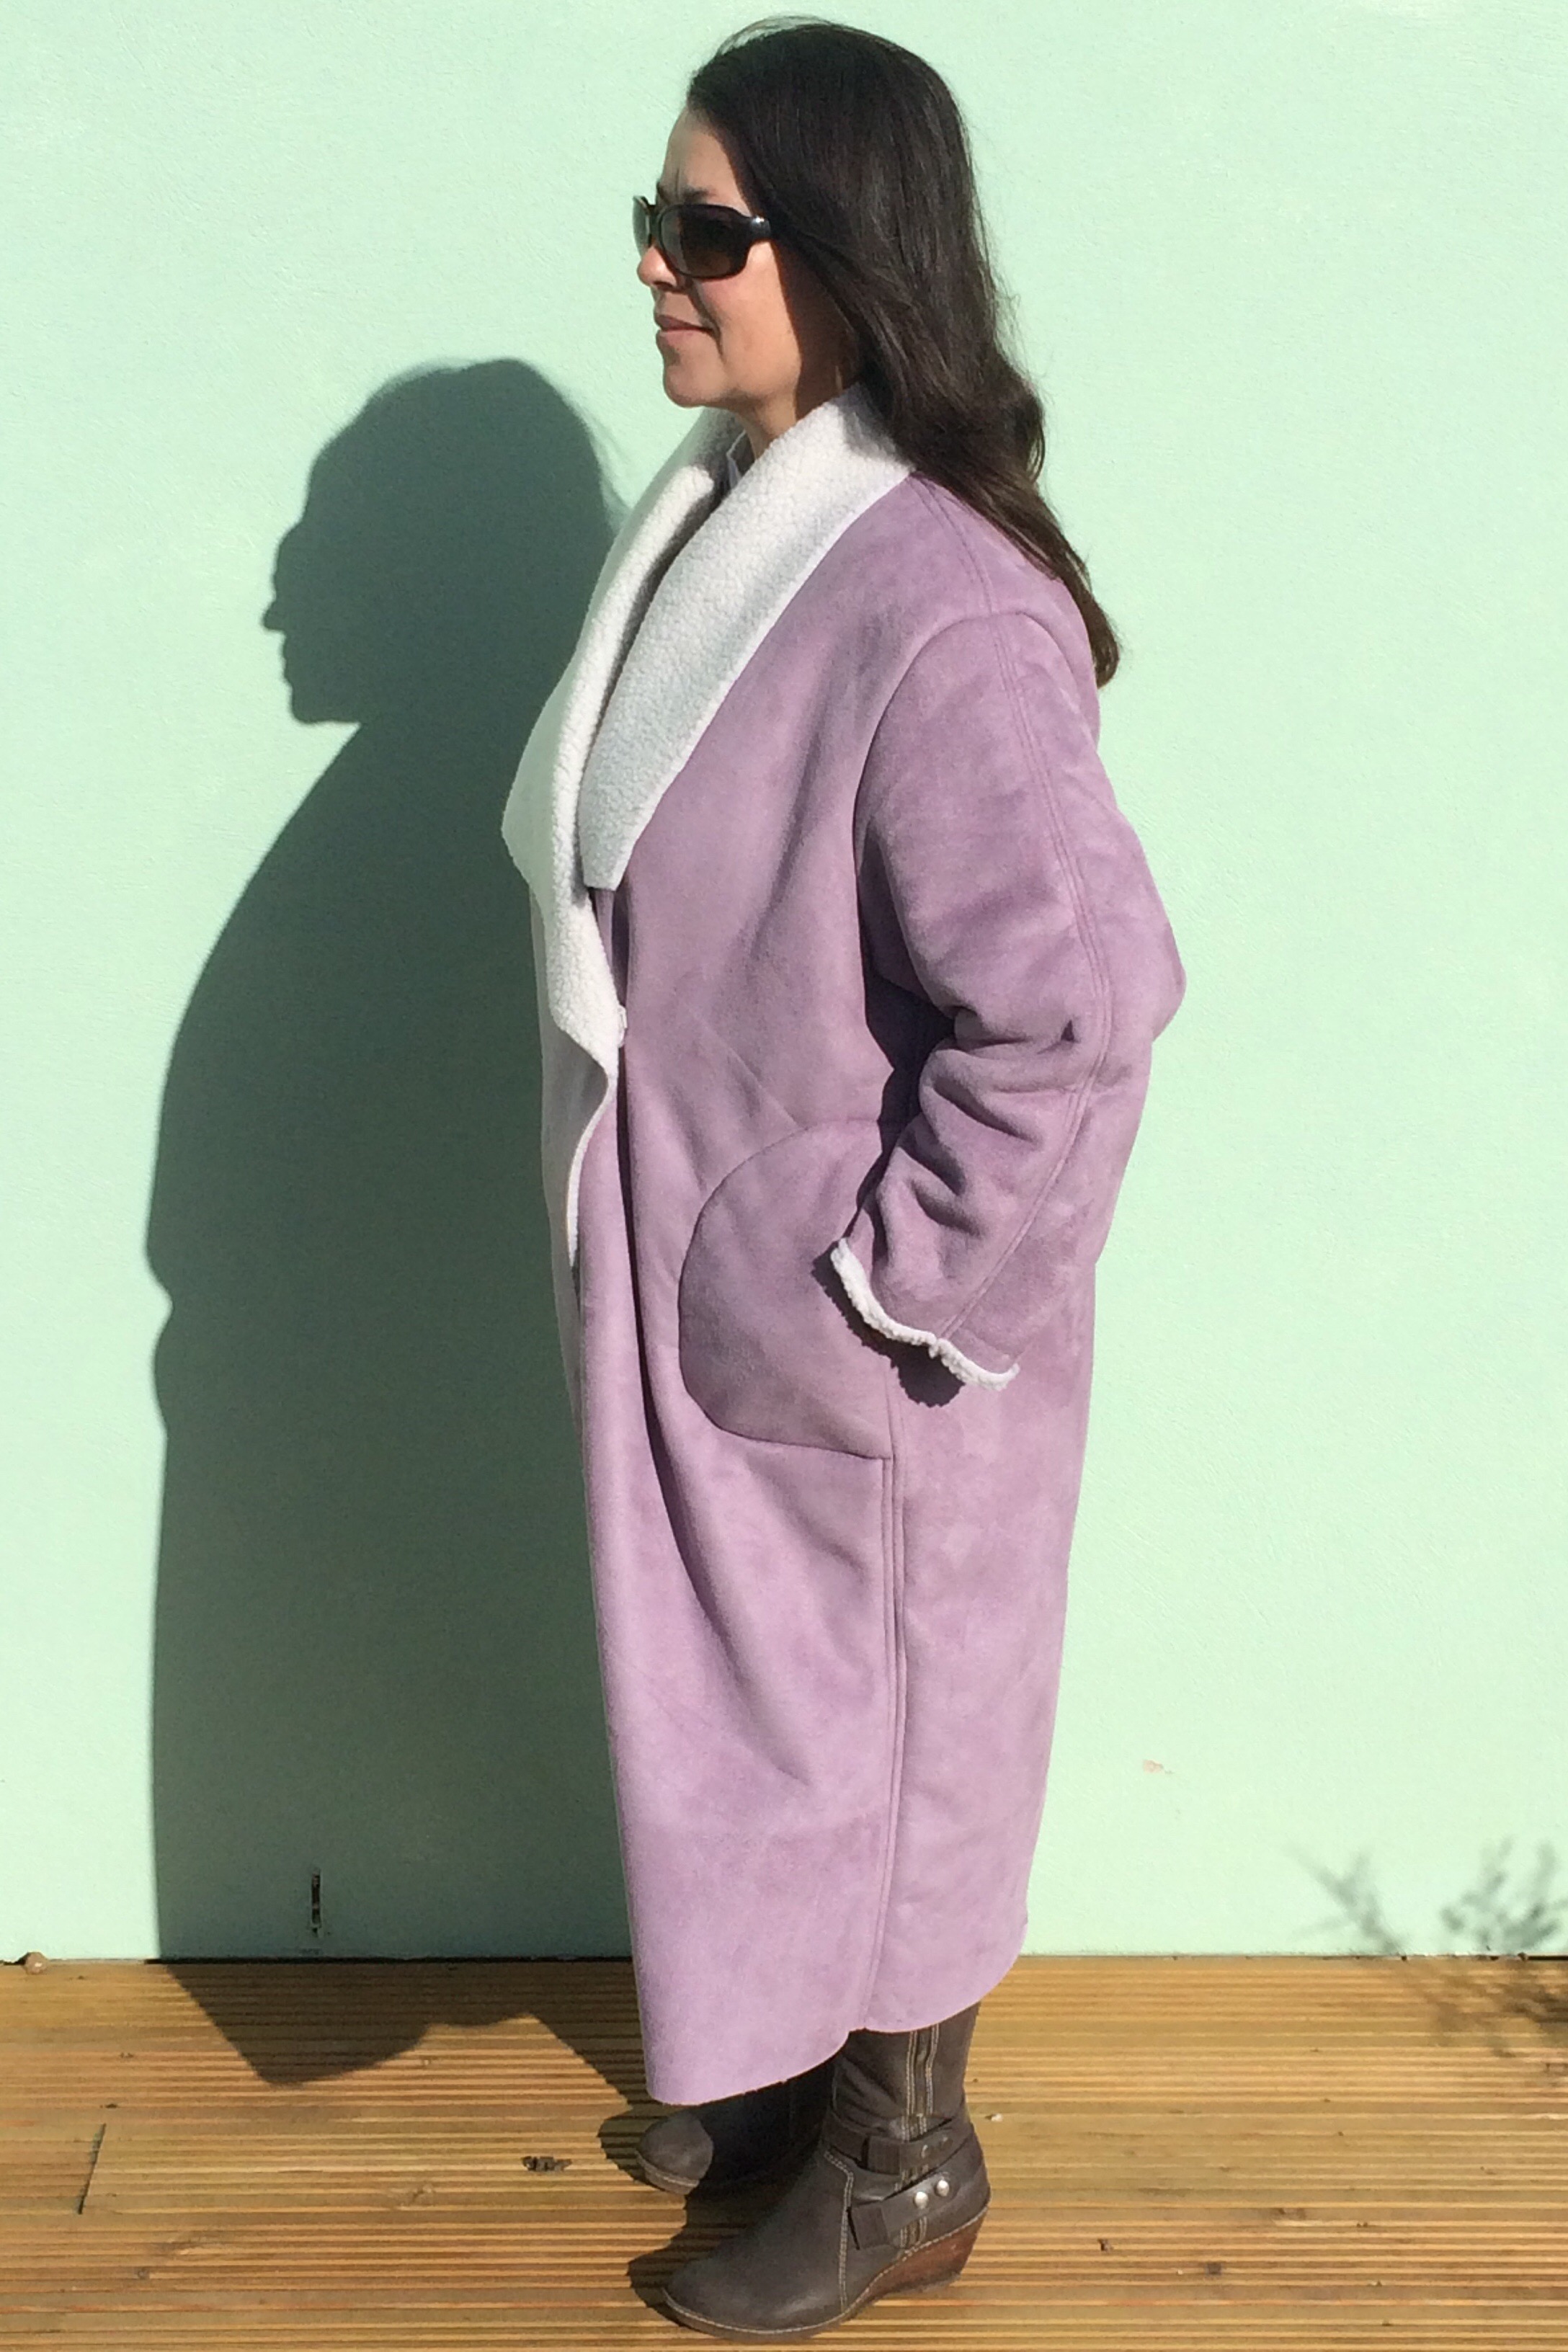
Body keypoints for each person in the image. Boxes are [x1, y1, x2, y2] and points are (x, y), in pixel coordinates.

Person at [502, 19, 1186, 2338]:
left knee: (888, 1729)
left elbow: (1080, 1008)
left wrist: (896, 1291)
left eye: (707, 232)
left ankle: (909, 2155)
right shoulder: (731, 513)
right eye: (653, 222)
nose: (658, 268)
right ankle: (794, 2087)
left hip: (860, 1339)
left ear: (844, 250)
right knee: (754, 1716)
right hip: (725, 1280)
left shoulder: (940, 610)